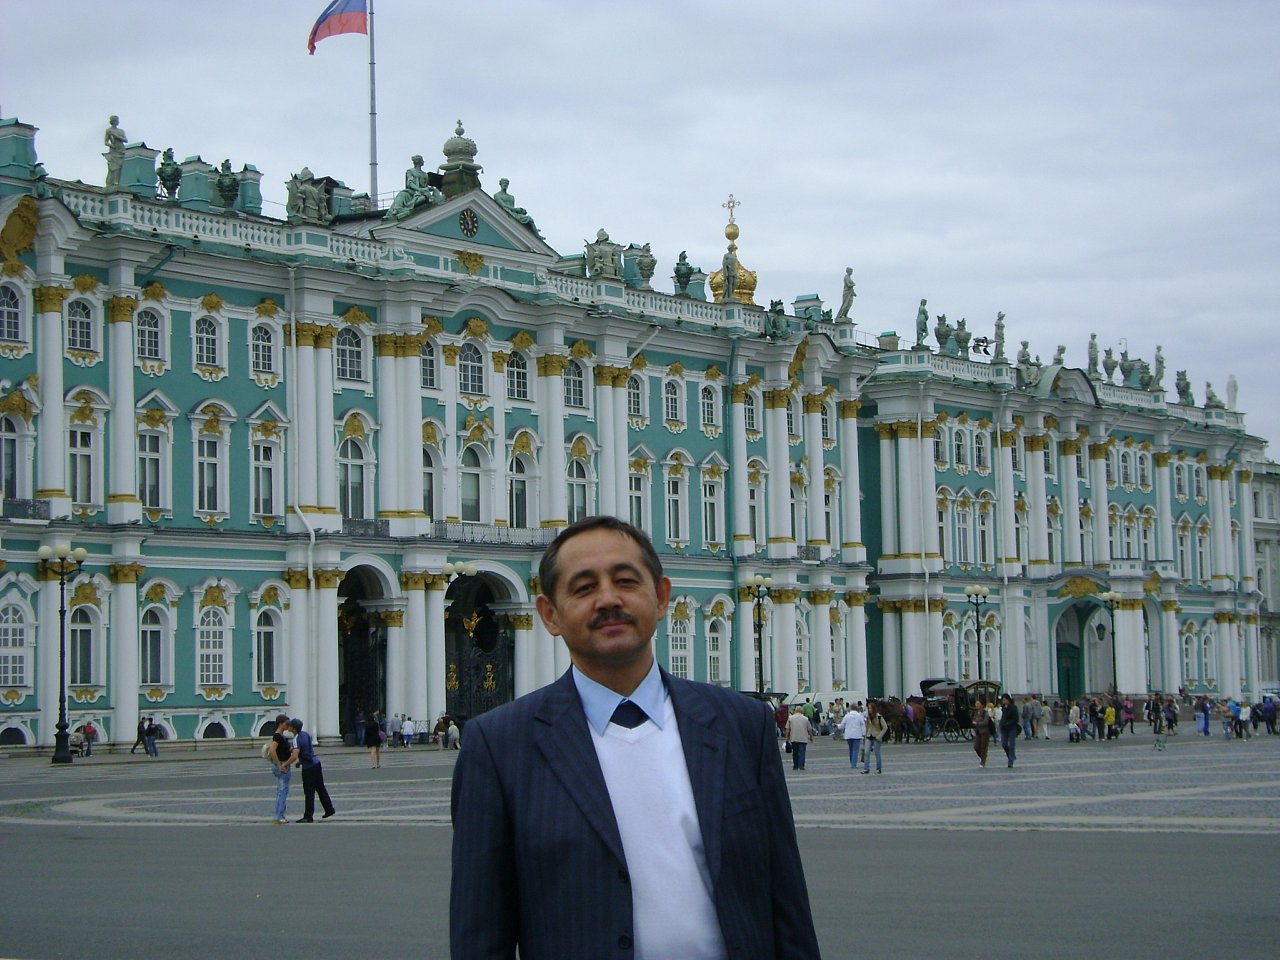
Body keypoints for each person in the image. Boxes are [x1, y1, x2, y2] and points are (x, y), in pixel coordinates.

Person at [450, 515, 820, 960]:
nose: (608, 599)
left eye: (626, 581)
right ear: (550, 615)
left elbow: (787, 900)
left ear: (661, 597)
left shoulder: (741, 725)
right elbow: (480, 933)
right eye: (583, 588)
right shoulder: (499, 745)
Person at [287, 718, 335, 823]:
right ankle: (329, 809)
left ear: (293, 729)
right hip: (316, 763)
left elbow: (294, 755)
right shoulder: (306, 734)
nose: (288, 727)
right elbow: (307, 751)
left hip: (308, 768)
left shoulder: (296, 739)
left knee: (309, 792)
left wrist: (285, 764)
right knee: (321, 788)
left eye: (290, 726)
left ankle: (308, 816)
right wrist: (300, 761)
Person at [268, 714, 295, 824]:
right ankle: (278, 816)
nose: (288, 725)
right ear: (280, 724)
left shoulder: (282, 736)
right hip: (282, 764)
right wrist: (279, 764)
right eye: (286, 723)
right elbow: (272, 750)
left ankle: (280, 814)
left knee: (283, 790)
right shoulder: (277, 736)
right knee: (282, 791)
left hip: (284, 764)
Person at [785, 705, 813, 771]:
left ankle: (795, 765)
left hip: (794, 737)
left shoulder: (790, 718)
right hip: (803, 738)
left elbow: (787, 729)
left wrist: (786, 737)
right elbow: (809, 729)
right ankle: (801, 765)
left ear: (795, 710)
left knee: (795, 753)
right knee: (802, 752)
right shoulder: (805, 718)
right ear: (801, 711)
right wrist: (811, 737)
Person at [839, 702, 866, 769]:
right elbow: (862, 725)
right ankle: (854, 764)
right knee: (855, 749)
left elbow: (842, 725)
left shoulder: (847, 716)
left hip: (848, 735)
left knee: (851, 748)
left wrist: (838, 726)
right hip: (857, 735)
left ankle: (852, 761)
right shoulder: (859, 716)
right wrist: (864, 734)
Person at [863, 702, 887, 774]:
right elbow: (867, 727)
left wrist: (879, 736)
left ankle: (878, 769)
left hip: (876, 737)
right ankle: (866, 769)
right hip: (869, 736)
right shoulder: (867, 717)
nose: (869, 710)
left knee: (877, 753)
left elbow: (885, 727)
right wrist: (865, 737)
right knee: (866, 752)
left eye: (871, 708)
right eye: (868, 708)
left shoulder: (879, 717)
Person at [998, 694, 1020, 768]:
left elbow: (1016, 719)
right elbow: (1003, 717)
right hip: (1004, 728)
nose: (1003, 701)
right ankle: (1010, 756)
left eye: (1004, 700)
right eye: (1002, 700)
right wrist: (1001, 724)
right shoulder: (1003, 708)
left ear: (1008, 700)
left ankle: (1010, 761)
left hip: (1012, 728)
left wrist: (1008, 723)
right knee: (1004, 744)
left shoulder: (1013, 707)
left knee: (1011, 745)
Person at [972, 698, 992, 767]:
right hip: (978, 732)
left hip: (984, 732)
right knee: (976, 747)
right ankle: (983, 757)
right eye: (976, 703)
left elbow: (985, 722)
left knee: (983, 747)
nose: (976, 705)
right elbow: (974, 720)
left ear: (982, 705)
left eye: (978, 703)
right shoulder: (976, 713)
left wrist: (977, 723)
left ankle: (983, 761)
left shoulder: (985, 713)